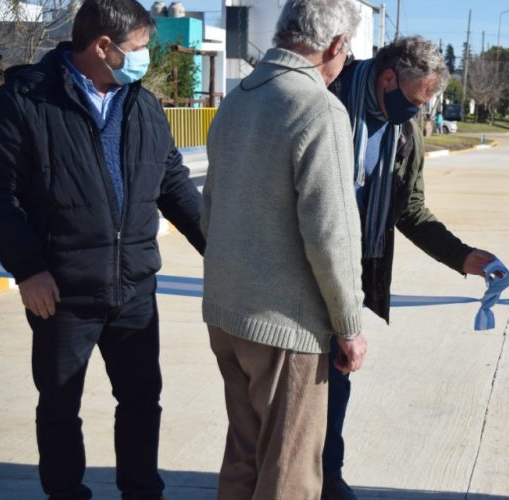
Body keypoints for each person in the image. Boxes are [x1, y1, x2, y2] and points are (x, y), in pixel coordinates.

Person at [0, 0, 205, 497]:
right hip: (61, 291)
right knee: (58, 407)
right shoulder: (26, 101)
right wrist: (29, 270)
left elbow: (173, 184)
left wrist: (219, 250)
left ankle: (141, 492)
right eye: (138, 48)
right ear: (103, 47)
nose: (144, 58)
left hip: (134, 287)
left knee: (142, 403)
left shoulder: (142, 103)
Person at [201, 0, 367, 498]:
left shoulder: (239, 97)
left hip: (228, 313)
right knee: (289, 472)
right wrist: (350, 325)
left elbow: (210, 207)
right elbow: (331, 233)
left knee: (244, 459)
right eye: (347, 50)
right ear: (335, 45)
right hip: (286, 326)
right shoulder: (318, 107)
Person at [323, 36, 500, 499]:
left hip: (352, 276)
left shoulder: (404, 132)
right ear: (387, 78)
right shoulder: (327, 97)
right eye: (416, 99)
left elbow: (410, 209)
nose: (418, 112)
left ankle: (327, 477)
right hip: (300, 271)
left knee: (335, 384)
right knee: (293, 396)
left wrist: (463, 256)